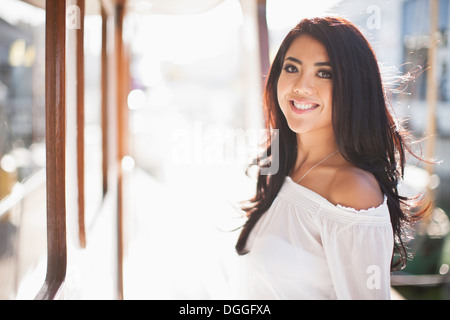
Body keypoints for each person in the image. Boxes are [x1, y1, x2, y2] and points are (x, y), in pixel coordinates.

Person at [233, 16, 426, 300]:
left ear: (354, 88)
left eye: (325, 73)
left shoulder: (352, 191)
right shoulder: (282, 164)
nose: (301, 86)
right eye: (291, 68)